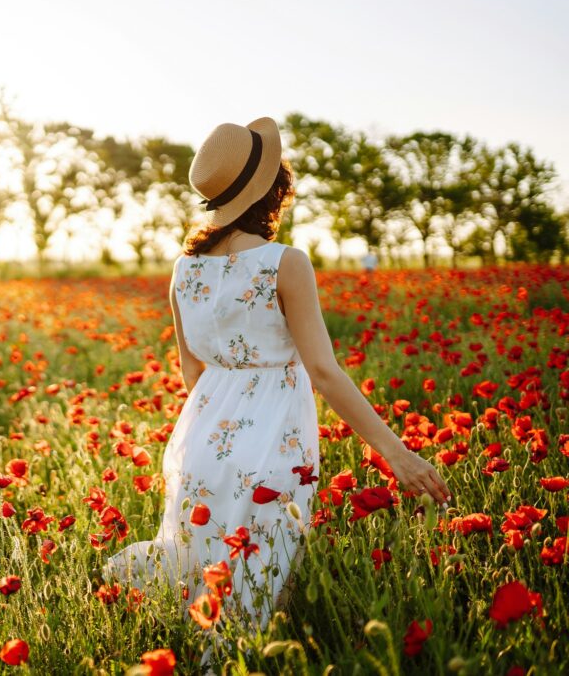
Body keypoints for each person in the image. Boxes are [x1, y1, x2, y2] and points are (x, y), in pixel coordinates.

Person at [100, 117, 452, 666]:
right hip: (272, 442)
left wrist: (219, 426)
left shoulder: (184, 269)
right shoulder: (284, 263)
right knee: (263, 587)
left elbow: (191, 371)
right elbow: (325, 372)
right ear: (271, 189)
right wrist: (396, 453)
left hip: (200, 441)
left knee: (208, 576)